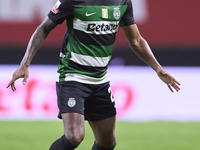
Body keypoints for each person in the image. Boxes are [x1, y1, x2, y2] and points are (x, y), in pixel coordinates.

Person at [7, 0, 180, 149]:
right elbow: (43, 29)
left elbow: (136, 40)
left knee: (108, 142)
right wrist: (25, 63)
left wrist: (157, 68)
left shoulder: (123, 1)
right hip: (72, 75)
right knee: (74, 136)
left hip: (100, 79)